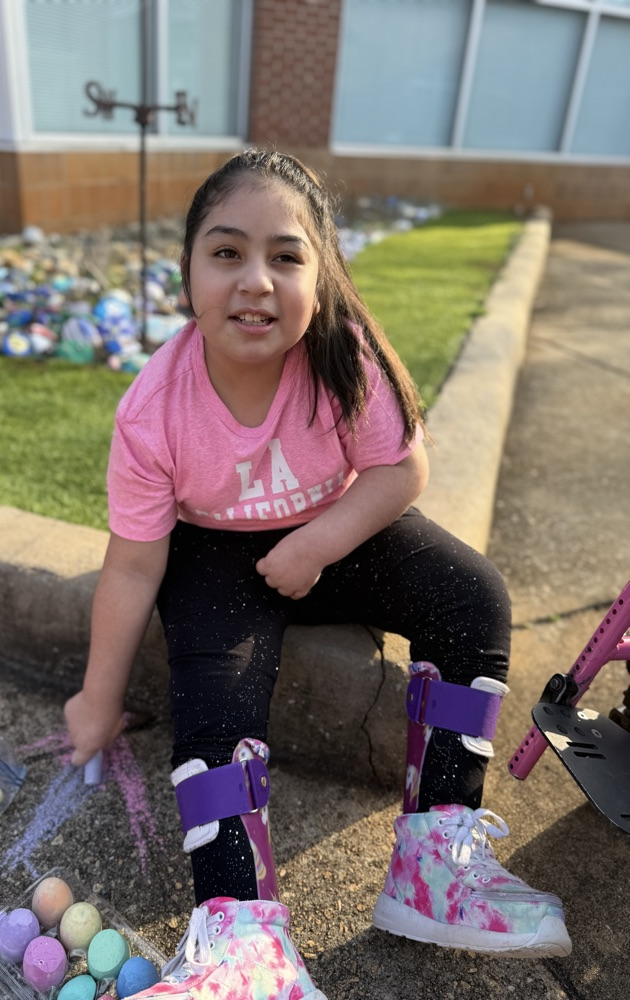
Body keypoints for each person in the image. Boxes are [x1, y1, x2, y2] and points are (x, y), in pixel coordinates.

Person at [64, 149, 571, 998]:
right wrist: (96, 697)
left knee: (471, 596)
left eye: (286, 256)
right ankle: (244, 941)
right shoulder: (153, 411)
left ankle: (434, 867)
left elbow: (401, 470)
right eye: (227, 252)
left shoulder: (342, 356)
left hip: (340, 532)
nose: (256, 280)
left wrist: (318, 544)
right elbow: (132, 566)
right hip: (216, 561)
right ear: (186, 272)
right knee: (214, 699)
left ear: (321, 274)